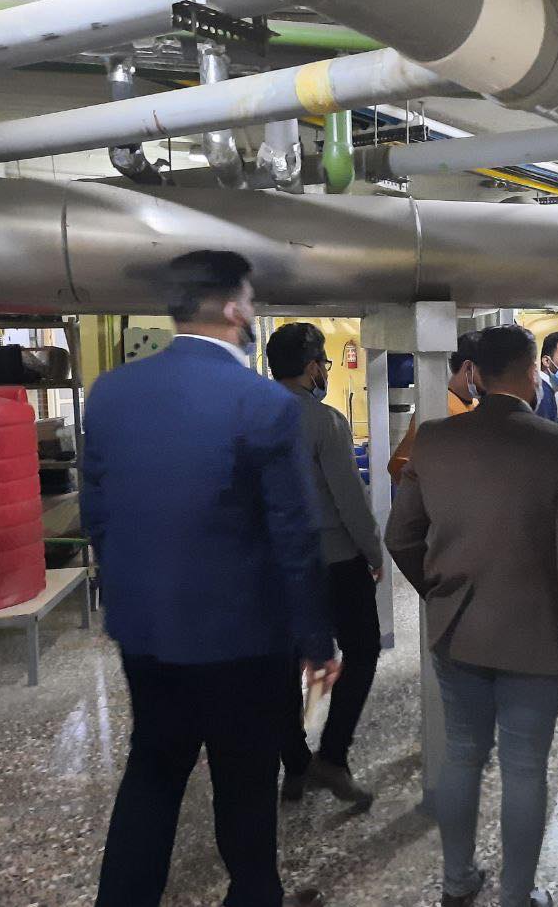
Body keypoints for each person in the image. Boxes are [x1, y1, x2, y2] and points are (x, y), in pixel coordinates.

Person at [82, 251, 336, 907]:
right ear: (233, 308)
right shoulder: (262, 401)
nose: (251, 312)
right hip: (241, 637)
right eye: (248, 300)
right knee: (245, 778)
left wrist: (132, 596)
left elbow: (97, 514)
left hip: (146, 630)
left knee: (153, 770)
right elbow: (293, 532)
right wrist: (315, 639)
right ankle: (254, 894)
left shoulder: (111, 393)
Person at [385, 324, 558, 907]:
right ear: (532, 373)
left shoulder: (434, 439)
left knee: (462, 754)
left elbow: (400, 536)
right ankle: (515, 896)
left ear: (475, 374)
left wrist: (438, 592)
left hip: (457, 630)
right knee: (525, 767)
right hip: (538, 637)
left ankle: (456, 882)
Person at [267, 322, 384, 810]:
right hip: (334, 563)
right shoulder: (326, 422)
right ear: (313, 367)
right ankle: (332, 756)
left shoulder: (248, 420)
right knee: (363, 649)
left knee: (282, 665)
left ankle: (295, 763)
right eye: (324, 365)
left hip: (273, 568)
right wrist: (373, 551)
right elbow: (350, 499)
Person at [388, 331, 484, 484]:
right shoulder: (437, 407)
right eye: (488, 371)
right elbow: (398, 465)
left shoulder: (476, 406)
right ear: (468, 368)